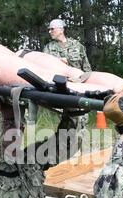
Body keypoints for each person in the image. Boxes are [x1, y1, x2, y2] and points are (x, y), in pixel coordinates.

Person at [43, 18, 92, 152]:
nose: (50, 31)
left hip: (78, 89)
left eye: (52, 29)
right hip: (61, 91)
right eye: (49, 29)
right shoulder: (48, 49)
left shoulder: (77, 46)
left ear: (61, 29)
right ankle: (66, 154)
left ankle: (80, 153)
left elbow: (87, 70)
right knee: (66, 123)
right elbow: (44, 69)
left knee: (81, 121)